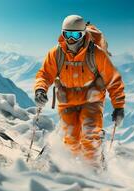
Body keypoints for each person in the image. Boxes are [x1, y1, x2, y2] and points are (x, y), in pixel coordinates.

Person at [34, 15, 125, 169]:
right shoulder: (56, 54)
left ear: (83, 34)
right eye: (67, 34)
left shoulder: (96, 54)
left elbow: (113, 80)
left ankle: (95, 172)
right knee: (71, 140)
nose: (70, 39)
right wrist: (40, 89)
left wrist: (119, 106)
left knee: (89, 137)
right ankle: (75, 171)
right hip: (67, 102)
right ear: (62, 34)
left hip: (92, 101)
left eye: (75, 35)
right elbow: (44, 74)